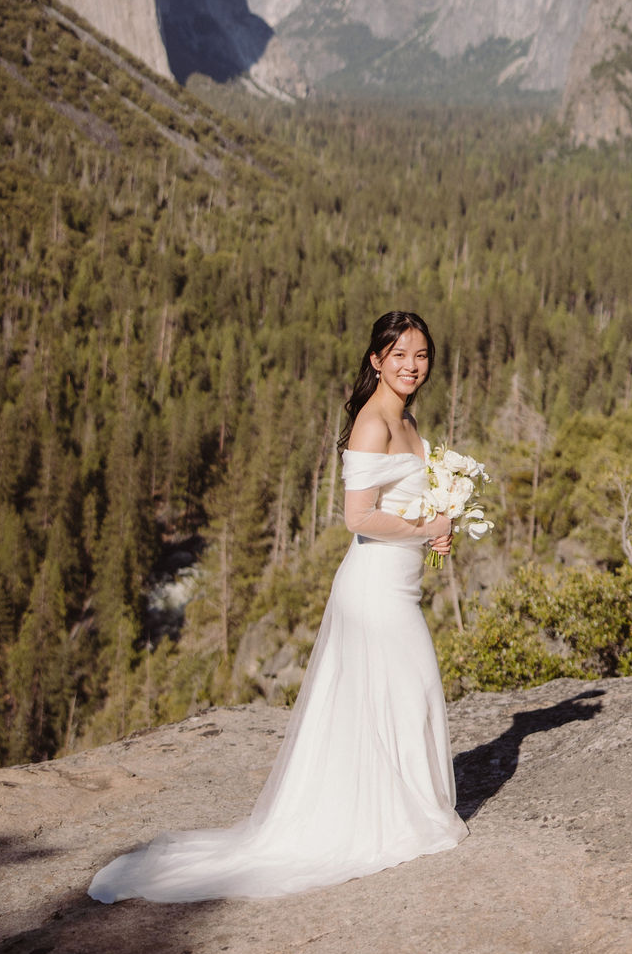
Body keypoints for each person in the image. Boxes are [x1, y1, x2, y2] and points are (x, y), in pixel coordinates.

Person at [88, 310, 468, 903]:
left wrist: (437, 524)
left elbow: (404, 501)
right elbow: (358, 518)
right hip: (373, 589)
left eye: (420, 356)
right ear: (376, 360)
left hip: (397, 584)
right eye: (399, 356)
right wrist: (429, 525)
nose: (411, 366)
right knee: (411, 685)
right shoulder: (374, 424)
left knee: (399, 694)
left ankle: (396, 808)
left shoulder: (407, 417)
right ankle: (394, 817)